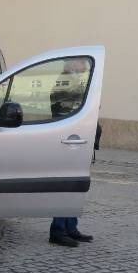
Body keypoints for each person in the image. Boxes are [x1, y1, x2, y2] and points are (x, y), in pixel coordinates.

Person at [50, 58, 95, 248]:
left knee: (75, 186)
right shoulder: (65, 82)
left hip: (77, 140)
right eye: (81, 63)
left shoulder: (75, 82)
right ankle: (58, 229)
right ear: (72, 65)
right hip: (69, 140)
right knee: (66, 186)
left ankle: (70, 226)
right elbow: (66, 111)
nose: (85, 66)